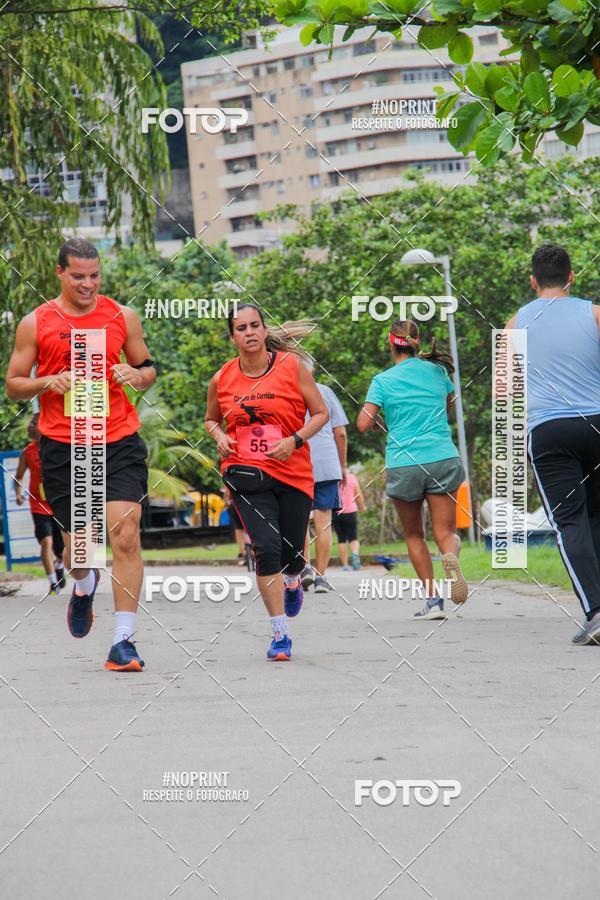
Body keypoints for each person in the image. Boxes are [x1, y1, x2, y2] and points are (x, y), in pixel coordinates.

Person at [5, 237, 156, 671]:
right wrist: (46, 382)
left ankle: (123, 641)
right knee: (80, 552)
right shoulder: (36, 323)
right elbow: (14, 382)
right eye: (78, 276)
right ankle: (85, 585)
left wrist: (136, 374)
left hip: (118, 438)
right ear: (60, 274)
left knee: (126, 531)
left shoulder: (122, 316)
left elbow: (148, 368)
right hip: (65, 445)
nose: (88, 284)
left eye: (94, 275)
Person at [205, 305, 328, 661]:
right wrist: (218, 437)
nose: (249, 332)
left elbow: (320, 413)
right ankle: (279, 634)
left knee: (292, 554)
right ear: (233, 337)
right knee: (266, 547)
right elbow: (210, 419)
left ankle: (293, 579)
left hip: (293, 472)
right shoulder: (222, 378)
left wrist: (295, 440)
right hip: (246, 472)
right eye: (241, 328)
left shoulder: (291, 368)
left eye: (254, 325)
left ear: (263, 329)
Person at [507, 244, 600, 645]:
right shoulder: (593, 312)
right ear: (572, 276)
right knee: (596, 514)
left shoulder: (513, 325)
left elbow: (508, 387)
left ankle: (596, 612)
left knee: (570, 521)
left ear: (533, 281)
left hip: (548, 431)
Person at [357, 319, 468, 619]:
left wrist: (385, 420)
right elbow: (448, 406)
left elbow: (363, 423)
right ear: (417, 342)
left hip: (404, 462)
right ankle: (450, 555)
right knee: (446, 531)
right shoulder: (438, 372)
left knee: (414, 534)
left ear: (389, 343)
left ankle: (433, 601)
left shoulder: (382, 380)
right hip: (442, 457)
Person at [300, 374, 349, 593]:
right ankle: (321, 578)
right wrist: (342, 466)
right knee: (324, 521)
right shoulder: (326, 392)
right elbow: (340, 433)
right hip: (327, 464)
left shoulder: (285, 391)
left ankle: (304, 568)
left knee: (299, 519)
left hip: (297, 463)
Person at [13, 414, 66, 594]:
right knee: (46, 543)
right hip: (38, 506)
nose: (29, 426)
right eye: (30, 422)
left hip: (58, 504)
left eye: (34, 423)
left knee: (63, 549)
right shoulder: (26, 453)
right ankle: (53, 584)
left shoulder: (59, 448)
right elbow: (18, 477)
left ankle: (59, 564)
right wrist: (18, 494)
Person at [333, 470, 367, 570]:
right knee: (353, 536)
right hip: (351, 511)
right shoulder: (351, 477)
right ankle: (355, 555)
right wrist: (362, 506)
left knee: (341, 538)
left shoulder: (334, 479)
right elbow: (358, 494)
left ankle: (345, 565)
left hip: (336, 511)